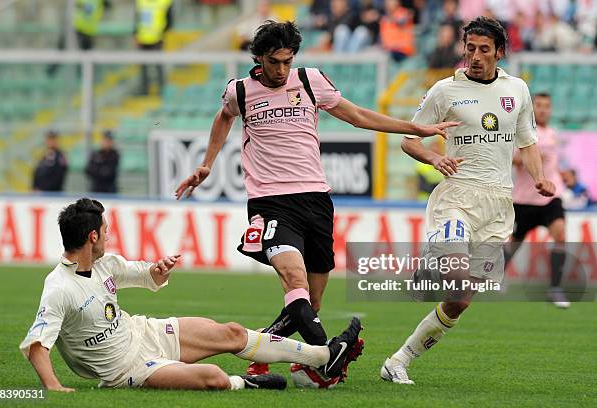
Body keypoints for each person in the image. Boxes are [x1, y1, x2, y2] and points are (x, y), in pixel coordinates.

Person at [174, 20, 457, 384]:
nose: (281, 70)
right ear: (259, 58)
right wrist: (206, 164)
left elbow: (356, 116)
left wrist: (414, 129)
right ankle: (326, 354)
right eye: (274, 62)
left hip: (316, 199)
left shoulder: (310, 81)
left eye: (287, 62)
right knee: (294, 279)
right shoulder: (240, 92)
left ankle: (263, 351)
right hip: (270, 202)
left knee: (312, 303)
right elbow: (223, 118)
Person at [19, 198, 362, 391]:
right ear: (92, 236)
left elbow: (142, 273)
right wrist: (53, 386)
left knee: (230, 332)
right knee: (212, 376)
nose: (110, 236)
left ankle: (322, 357)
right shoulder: (59, 288)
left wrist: (159, 270)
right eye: (106, 230)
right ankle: (246, 383)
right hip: (127, 369)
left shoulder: (104, 264)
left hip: (144, 332)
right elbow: (37, 345)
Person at [382, 17, 556, 385]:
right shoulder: (444, 91)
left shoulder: (518, 91)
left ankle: (399, 360)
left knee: (460, 300)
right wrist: (433, 158)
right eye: (470, 49)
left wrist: (539, 177)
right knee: (455, 272)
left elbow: (527, 143)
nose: (475, 56)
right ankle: (431, 266)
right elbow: (409, 139)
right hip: (457, 195)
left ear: (499, 52)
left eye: (484, 50)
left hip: (498, 206)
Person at [504, 93, 569, 308]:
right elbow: (511, 159)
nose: (542, 110)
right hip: (525, 198)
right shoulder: (523, 131)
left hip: (552, 196)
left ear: (550, 109)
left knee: (560, 234)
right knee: (515, 241)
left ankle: (555, 288)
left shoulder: (553, 134)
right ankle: (499, 275)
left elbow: (554, 163)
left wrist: (563, 174)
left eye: (546, 106)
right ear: (532, 109)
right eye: (538, 106)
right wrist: (531, 158)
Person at [135, 0, 174, 95]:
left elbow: (170, 22)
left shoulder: (164, 2)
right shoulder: (141, 2)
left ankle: (162, 91)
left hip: (157, 39)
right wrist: (135, 34)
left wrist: (161, 32)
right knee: (143, 67)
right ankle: (144, 91)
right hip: (142, 39)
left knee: (158, 66)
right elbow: (137, 19)